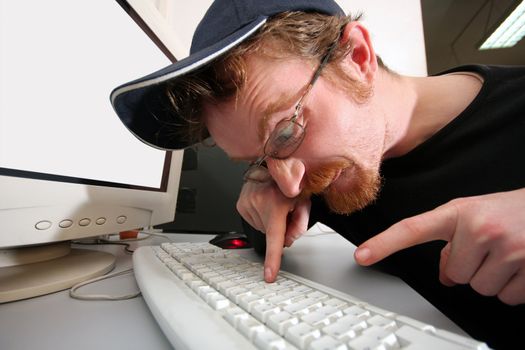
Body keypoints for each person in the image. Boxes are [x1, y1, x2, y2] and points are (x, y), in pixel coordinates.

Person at [111, 0, 525, 348]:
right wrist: (259, 182)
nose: (289, 182)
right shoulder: (322, 170)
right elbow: (264, 236)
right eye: (257, 159)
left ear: (357, 57)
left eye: (287, 132)